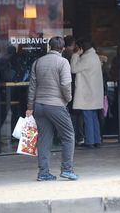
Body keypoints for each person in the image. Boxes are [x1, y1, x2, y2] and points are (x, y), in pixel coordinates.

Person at [26, 36, 78, 181]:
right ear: (62, 48)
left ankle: (43, 173)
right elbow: (66, 84)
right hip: (55, 105)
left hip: (39, 105)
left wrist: (30, 106)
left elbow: (32, 87)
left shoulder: (37, 62)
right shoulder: (63, 62)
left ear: (49, 47)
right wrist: (68, 99)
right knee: (68, 135)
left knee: (43, 138)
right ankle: (67, 169)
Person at [70, 38, 104, 148]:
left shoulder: (86, 58)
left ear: (81, 48)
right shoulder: (95, 57)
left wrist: (75, 55)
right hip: (94, 92)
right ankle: (96, 140)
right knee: (94, 117)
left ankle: (89, 141)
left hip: (87, 93)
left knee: (88, 117)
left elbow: (74, 69)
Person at [63, 35, 85, 145]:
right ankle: (78, 137)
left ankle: (68, 136)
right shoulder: (73, 56)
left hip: (65, 87)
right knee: (77, 113)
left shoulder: (62, 54)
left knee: (67, 113)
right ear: (73, 44)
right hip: (73, 87)